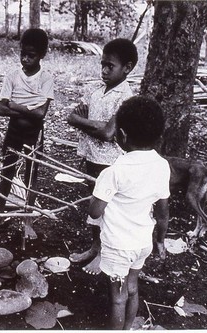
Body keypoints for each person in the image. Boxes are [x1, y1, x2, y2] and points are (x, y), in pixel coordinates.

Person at [88, 95, 169, 329]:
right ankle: (128, 328)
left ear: (121, 135)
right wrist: (161, 242)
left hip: (118, 245)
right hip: (143, 242)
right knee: (132, 288)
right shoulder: (162, 166)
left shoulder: (114, 171)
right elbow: (163, 212)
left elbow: (94, 212)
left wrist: (98, 195)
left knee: (118, 298)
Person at [66, 38, 138, 274]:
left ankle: (106, 253)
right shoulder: (97, 92)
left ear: (127, 68)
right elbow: (72, 116)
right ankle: (95, 247)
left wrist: (83, 122)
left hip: (110, 162)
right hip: (91, 156)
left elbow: (109, 133)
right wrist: (89, 123)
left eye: (111, 66)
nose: (104, 71)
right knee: (94, 205)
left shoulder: (125, 97)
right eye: (103, 65)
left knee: (108, 210)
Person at [0, 28, 54, 239]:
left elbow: (40, 114)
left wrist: (16, 105)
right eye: (23, 54)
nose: (26, 59)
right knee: (7, 171)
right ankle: (0, 213)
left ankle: (28, 220)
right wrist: (26, 109)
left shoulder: (46, 78)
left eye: (31, 55)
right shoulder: (12, 76)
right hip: (14, 131)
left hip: (34, 134)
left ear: (42, 54)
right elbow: (0, 109)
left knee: (31, 176)